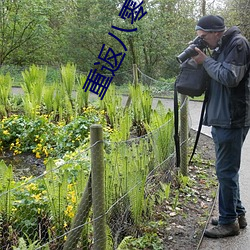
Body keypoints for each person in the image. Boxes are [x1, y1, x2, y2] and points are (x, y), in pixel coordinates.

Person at [192, 15, 250, 238]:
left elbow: (229, 77)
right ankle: (237, 214)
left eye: (204, 37)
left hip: (232, 118)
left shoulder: (238, 44)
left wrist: (205, 61)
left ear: (216, 32)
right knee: (227, 171)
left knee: (225, 171)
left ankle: (228, 223)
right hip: (222, 117)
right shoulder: (221, 46)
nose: (203, 41)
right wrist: (202, 60)